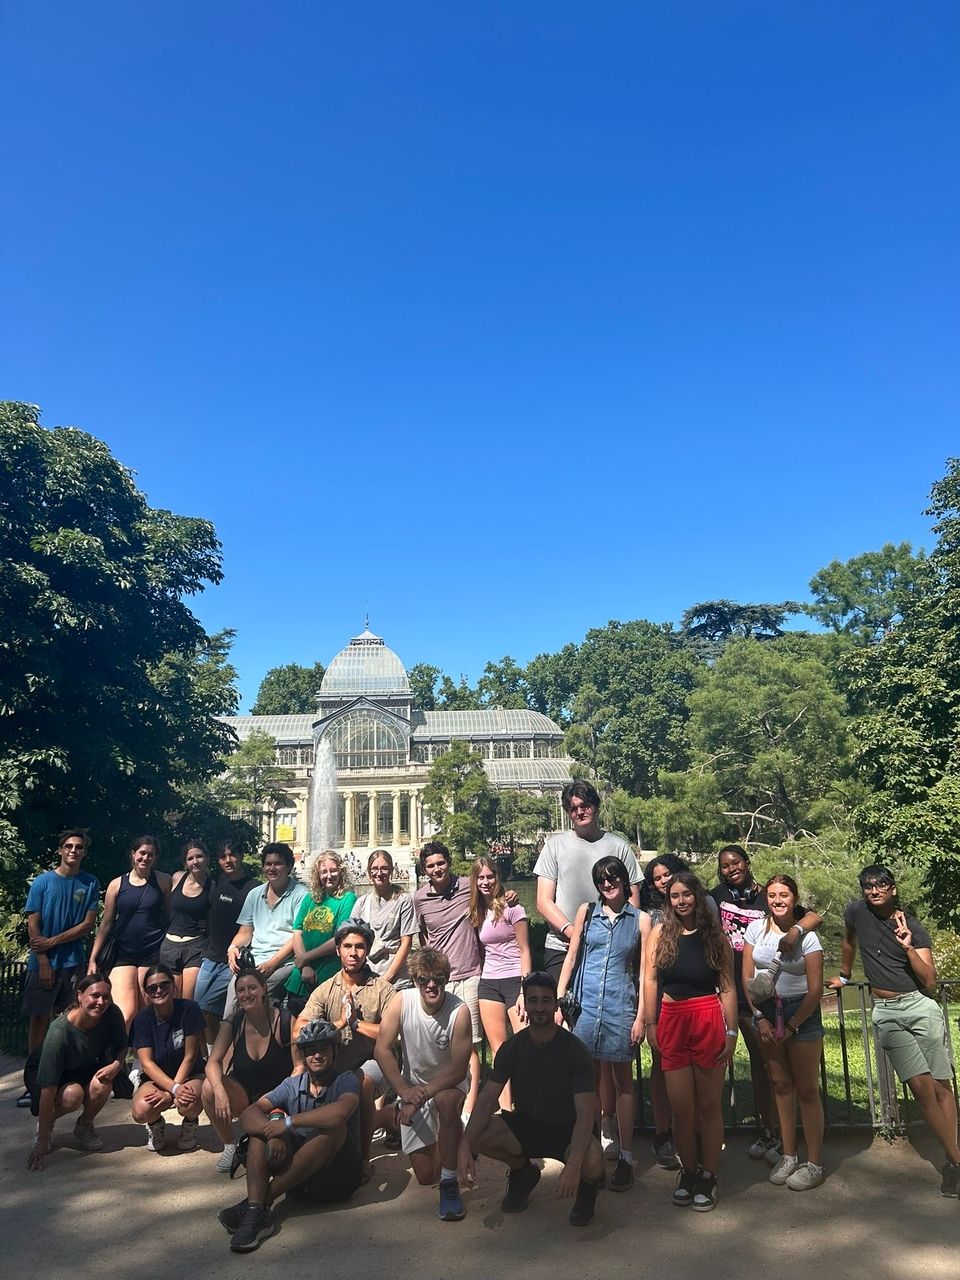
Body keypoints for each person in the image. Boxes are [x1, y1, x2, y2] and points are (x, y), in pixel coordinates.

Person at [827, 864, 960, 1197]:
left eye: (881, 885)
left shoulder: (912, 926)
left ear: (893, 889)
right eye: (868, 886)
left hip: (918, 1006)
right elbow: (848, 939)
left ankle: (952, 1161)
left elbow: (929, 979)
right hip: (885, 1012)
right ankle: (958, 1160)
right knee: (920, 1087)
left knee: (941, 1084)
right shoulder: (856, 911)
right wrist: (844, 975)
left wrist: (907, 946)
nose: (874, 891)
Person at [534, 780, 641, 1161]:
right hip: (562, 948)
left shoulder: (618, 846)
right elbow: (543, 900)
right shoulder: (555, 845)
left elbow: (635, 901)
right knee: (569, 1044)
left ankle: (607, 1122)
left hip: (611, 954)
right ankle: (570, 1122)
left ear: (596, 805)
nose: (580, 811)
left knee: (610, 1049)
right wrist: (573, 931)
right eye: (573, 806)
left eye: (585, 804)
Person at [458, 971, 606, 1227]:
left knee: (592, 1161)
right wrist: (464, 1145)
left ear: (555, 1005)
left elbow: (585, 1113)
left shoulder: (574, 1050)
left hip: (567, 1130)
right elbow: (486, 1099)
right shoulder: (512, 1047)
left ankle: (586, 1186)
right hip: (527, 1126)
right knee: (480, 1133)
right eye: (533, 1000)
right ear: (524, 1004)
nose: (539, 1007)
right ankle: (523, 1171)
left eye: (546, 1000)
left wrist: (573, 1165)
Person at [710, 844, 821, 1161]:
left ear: (746, 863)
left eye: (735, 863)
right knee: (763, 1069)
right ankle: (767, 1130)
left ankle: (784, 1138)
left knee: (771, 1069)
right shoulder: (717, 896)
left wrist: (796, 931)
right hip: (736, 994)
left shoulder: (770, 897)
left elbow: (815, 916)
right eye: (724, 865)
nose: (731, 869)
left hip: (775, 1001)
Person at [217, 1017, 363, 1253]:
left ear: (334, 1050)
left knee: (334, 1129)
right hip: (298, 1181)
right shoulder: (292, 1084)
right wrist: (272, 1131)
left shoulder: (346, 1080)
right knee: (257, 1136)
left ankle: (260, 1202)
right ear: (303, 1055)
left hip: (338, 1177)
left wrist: (287, 1122)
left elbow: (340, 1112)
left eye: (323, 1049)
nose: (317, 1056)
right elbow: (249, 1113)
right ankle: (257, 1213)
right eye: (311, 1050)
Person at [644, 871, 738, 1212]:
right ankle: (689, 1170)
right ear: (668, 901)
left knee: (709, 1107)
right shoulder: (660, 933)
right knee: (681, 1110)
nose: (681, 901)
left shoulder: (715, 936)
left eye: (687, 894)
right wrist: (650, 1021)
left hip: (707, 1017)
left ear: (697, 897)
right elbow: (651, 979)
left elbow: (727, 986)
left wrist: (732, 1030)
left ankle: (709, 1174)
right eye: (674, 896)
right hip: (672, 1018)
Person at [557, 855, 643, 1191]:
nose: (607, 885)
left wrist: (641, 1017)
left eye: (613, 878)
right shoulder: (586, 912)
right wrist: (560, 998)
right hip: (586, 1006)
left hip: (621, 1005)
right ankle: (589, 1147)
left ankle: (625, 1155)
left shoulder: (640, 920)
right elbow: (573, 955)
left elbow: (645, 973)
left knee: (623, 1082)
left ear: (624, 880)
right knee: (587, 1082)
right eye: (601, 881)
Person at [374, 947, 472, 1222]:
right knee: (426, 1176)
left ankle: (451, 1183)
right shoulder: (401, 1002)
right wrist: (405, 1092)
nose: (431, 985)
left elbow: (458, 1069)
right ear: (415, 980)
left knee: (446, 1103)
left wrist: (420, 1096)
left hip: (448, 1085)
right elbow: (382, 1050)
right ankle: (455, 1137)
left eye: (438, 979)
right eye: (424, 979)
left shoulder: (459, 1011)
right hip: (414, 1087)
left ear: (447, 979)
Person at [742, 875, 826, 1190]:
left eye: (785, 895)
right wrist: (760, 1017)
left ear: (794, 898)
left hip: (801, 1014)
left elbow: (816, 989)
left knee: (806, 1089)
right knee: (780, 1084)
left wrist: (792, 1025)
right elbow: (747, 977)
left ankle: (815, 1162)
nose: (778, 900)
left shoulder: (808, 937)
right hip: (766, 1012)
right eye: (773, 895)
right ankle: (789, 1154)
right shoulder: (755, 930)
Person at [296, 920, 396, 1169]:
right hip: (338, 1063)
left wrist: (356, 1024)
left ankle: (363, 1160)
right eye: (348, 946)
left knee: (361, 1084)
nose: (354, 953)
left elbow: (393, 1034)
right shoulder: (325, 989)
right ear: (338, 949)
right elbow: (299, 1029)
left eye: (360, 947)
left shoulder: (383, 989)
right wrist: (339, 1024)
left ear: (368, 949)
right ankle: (388, 1118)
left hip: (379, 1061)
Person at [413, 840, 495, 1122]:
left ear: (449, 862)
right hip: (439, 980)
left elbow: (490, 894)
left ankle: (469, 1110)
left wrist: (510, 899)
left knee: (469, 1046)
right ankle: (444, 1104)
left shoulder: (466, 886)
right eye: (431, 866)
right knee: (441, 1045)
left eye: (441, 863)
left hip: (469, 974)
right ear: (424, 870)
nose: (437, 869)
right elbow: (423, 938)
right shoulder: (420, 899)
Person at [27, 972, 127, 1171]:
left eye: (106, 997)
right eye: (95, 995)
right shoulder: (59, 1032)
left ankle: (84, 1126)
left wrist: (116, 1064)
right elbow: (48, 1089)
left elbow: (122, 1046)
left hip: (81, 1065)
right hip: (43, 1073)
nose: (101, 1002)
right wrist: (42, 1140)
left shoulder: (112, 1013)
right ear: (80, 996)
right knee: (73, 1096)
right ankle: (46, 1125)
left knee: (103, 1083)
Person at [21, 830, 101, 1078]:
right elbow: (33, 924)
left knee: (71, 1018)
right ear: (60, 850)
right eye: (68, 846)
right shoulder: (42, 882)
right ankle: (35, 1077)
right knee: (39, 1019)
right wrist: (43, 960)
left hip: (73, 961)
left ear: (84, 852)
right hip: (42, 964)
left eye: (78, 847)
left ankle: (64, 1073)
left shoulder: (90, 883)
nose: (73, 851)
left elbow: (88, 924)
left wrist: (52, 941)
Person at [203, 965, 294, 1172]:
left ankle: (264, 1132)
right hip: (244, 1094)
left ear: (264, 989)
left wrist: (277, 1099)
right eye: (241, 990)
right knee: (208, 1086)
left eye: (252, 988)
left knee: (273, 1157)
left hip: (278, 1098)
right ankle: (229, 1145)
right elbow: (213, 1062)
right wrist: (219, 1091)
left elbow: (299, 1067)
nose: (247, 994)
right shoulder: (233, 1022)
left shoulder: (285, 1020)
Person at [637, 854, 690, 1170]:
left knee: (693, 1064)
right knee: (661, 1064)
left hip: (693, 995)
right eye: (657, 877)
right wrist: (647, 1014)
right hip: (660, 994)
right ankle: (662, 1131)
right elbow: (646, 966)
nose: (664, 880)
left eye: (668, 874)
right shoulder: (649, 913)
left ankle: (690, 1129)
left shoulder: (697, 902)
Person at [88, 834, 171, 1029]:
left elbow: (169, 916)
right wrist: (93, 958)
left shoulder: (163, 881)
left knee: (147, 1012)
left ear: (155, 857)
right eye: (142, 853)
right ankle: (118, 1057)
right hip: (123, 953)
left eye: (150, 854)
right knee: (125, 1013)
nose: (145, 858)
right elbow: (106, 923)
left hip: (151, 951)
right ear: (133, 854)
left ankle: (144, 1058)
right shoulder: (117, 885)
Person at [470, 855, 532, 1112]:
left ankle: (531, 1104)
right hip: (489, 983)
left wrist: (524, 989)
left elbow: (525, 950)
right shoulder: (477, 911)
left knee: (526, 1046)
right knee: (499, 1051)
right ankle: (507, 1110)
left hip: (513, 980)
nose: (485, 882)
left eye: (490, 876)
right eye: (480, 877)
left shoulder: (513, 908)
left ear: (497, 877)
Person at [224, 842, 307, 1021]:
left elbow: (297, 937)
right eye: (268, 864)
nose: (272, 868)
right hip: (255, 961)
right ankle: (231, 1042)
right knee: (233, 1001)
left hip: (285, 962)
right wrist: (233, 947)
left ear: (289, 867)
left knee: (259, 995)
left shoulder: (301, 895)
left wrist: (272, 964)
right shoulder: (255, 894)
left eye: (278, 863)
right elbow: (245, 932)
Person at [129, 962, 206, 1152]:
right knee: (140, 1111)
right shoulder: (141, 1019)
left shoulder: (190, 1009)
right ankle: (156, 1125)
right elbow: (146, 1063)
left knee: (187, 1101)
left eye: (164, 985)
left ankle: (190, 1123)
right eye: (152, 988)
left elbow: (190, 1055)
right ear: (146, 993)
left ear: (174, 987)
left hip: (190, 1074)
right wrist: (171, 1088)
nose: (159, 990)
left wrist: (173, 1091)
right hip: (157, 1078)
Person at [194, 840, 258, 1046]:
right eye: (223, 857)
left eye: (232, 855)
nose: (228, 860)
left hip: (233, 960)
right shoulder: (220, 880)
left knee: (207, 1007)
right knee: (196, 1007)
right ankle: (204, 1057)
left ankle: (216, 1056)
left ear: (240, 856)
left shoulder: (254, 888)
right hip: (211, 956)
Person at [285, 851, 357, 1010]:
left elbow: (340, 937)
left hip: (326, 975)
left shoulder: (347, 898)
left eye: (333, 870)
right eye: (324, 871)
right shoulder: (310, 897)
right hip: (301, 975)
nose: (329, 875)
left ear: (341, 871)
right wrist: (305, 965)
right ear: (317, 874)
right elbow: (297, 932)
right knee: (294, 1026)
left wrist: (305, 958)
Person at [352, 848, 417, 987]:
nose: (379, 873)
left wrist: (387, 977)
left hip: (397, 978)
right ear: (369, 872)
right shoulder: (362, 903)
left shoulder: (403, 900)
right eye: (375, 868)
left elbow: (406, 943)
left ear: (391, 870)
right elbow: (352, 939)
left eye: (384, 868)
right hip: (367, 975)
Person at [158, 840, 213, 1001]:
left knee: (188, 1001)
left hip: (195, 947)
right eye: (190, 858)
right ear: (185, 862)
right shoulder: (176, 878)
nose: (195, 861)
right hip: (169, 946)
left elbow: (215, 918)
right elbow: (165, 907)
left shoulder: (213, 887)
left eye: (199, 857)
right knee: (169, 1000)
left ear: (207, 859)